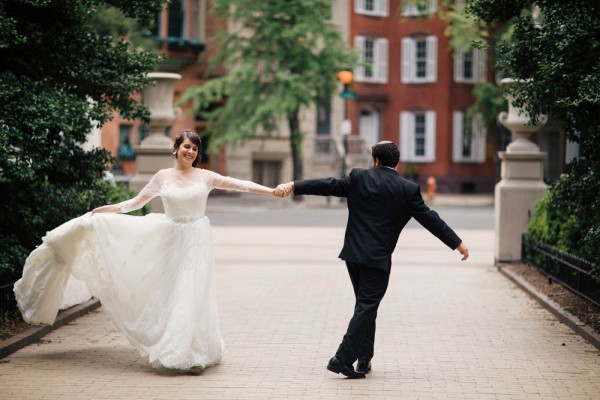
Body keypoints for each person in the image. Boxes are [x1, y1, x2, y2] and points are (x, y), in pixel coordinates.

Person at [14, 129, 276, 371]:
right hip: (171, 241)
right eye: (186, 147)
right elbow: (135, 202)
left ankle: (196, 352)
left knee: (194, 292)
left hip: (197, 241)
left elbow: (241, 184)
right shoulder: (162, 176)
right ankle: (177, 350)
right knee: (174, 293)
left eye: (195, 149)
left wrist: (272, 190)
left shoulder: (206, 177)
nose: (191, 152)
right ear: (176, 149)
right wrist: (108, 209)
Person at [274, 141, 469, 379]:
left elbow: (329, 185)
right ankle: (342, 359)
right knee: (366, 306)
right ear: (395, 161)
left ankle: (364, 359)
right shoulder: (407, 189)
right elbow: (431, 219)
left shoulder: (359, 177)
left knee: (365, 307)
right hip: (377, 259)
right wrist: (457, 243)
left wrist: (294, 185)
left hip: (353, 255)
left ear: (375, 160)